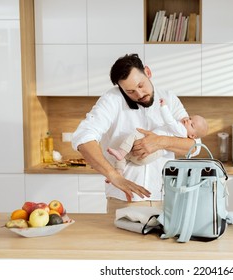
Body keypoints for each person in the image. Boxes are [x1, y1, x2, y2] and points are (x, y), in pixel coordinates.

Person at [71, 53, 202, 215]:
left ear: (148, 72)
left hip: (164, 198)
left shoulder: (169, 99)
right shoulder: (111, 99)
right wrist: (113, 175)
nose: (139, 94)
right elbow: (83, 137)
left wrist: (160, 142)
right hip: (124, 199)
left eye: (141, 85)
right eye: (130, 91)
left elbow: (194, 146)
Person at [107, 98, 208, 174]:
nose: (187, 120)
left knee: (133, 136)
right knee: (124, 157)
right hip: (145, 159)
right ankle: (119, 171)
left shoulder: (181, 129)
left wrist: (164, 107)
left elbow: (170, 121)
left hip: (152, 153)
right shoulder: (183, 130)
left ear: (192, 135)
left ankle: (120, 155)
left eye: (192, 124)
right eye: (190, 118)